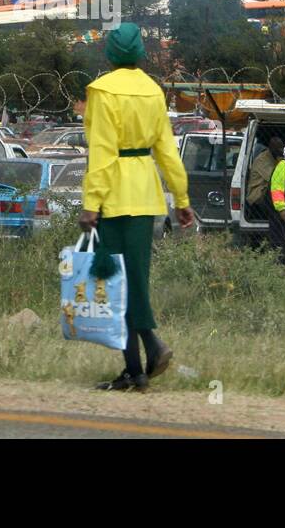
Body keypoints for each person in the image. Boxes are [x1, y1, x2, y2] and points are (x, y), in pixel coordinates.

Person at [79, 22, 192, 392]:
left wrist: (91, 203)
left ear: (109, 55)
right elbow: (166, 150)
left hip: (113, 197)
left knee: (117, 283)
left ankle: (142, 360)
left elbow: (102, 152)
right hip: (146, 195)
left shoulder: (102, 91)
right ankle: (141, 365)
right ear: (141, 54)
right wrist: (182, 198)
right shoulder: (153, 91)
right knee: (135, 279)